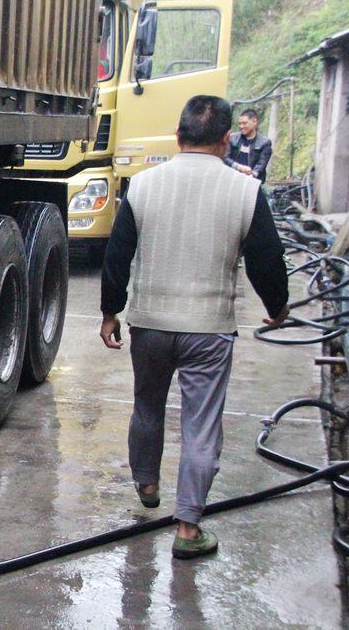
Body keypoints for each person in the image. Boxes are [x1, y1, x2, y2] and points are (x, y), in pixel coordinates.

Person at [99, 95, 289, 560]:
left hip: (150, 324)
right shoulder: (245, 192)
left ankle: (147, 484)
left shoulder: (142, 186)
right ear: (226, 141)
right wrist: (278, 307)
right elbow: (268, 259)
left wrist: (110, 311)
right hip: (209, 328)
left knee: (147, 405)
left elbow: (117, 255)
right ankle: (187, 529)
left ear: (179, 135)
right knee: (201, 425)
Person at [224, 109, 273, 184]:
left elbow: (261, 164)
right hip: (233, 179)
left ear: (254, 122)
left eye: (244, 123)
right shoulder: (232, 138)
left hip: (254, 182)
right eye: (239, 124)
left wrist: (252, 174)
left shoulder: (265, 142)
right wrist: (238, 167)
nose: (241, 126)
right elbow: (225, 157)